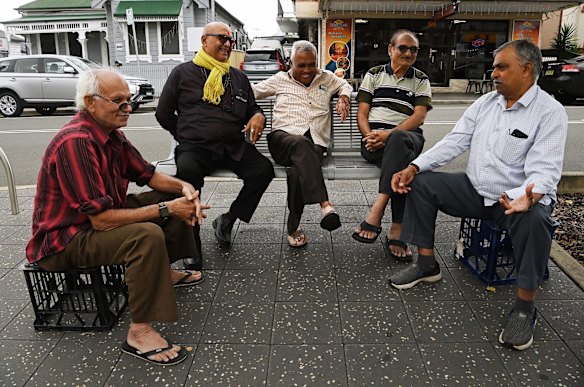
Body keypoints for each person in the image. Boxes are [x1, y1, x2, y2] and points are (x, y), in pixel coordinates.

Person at [389, 39, 568, 351]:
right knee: (422, 183)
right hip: (475, 189)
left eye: (502, 66)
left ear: (526, 70)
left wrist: (532, 195)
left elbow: (546, 167)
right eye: (494, 66)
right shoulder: (487, 103)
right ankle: (426, 265)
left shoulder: (549, 112)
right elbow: (455, 141)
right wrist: (415, 166)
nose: (493, 72)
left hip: (514, 199)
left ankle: (525, 308)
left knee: (537, 218)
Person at [25, 68, 210, 366]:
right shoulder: (77, 141)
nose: (129, 108)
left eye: (129, 100)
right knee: (146, 235)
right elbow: (100, 221)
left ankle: (163, 273)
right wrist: (167, 210)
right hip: (65, 239)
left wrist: (184, 188)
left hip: (92, 223)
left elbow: (147, 175)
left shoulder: (111, 135)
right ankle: (139, 332)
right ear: (90, 102)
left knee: (171, 198)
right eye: (119, 101)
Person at [156, 22, 274, 267]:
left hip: (232, 146)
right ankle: (191, 244)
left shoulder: (239, 77)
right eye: (221, 38)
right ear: (204, 41)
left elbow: (252, 107)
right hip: (196, 148)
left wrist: (259, 115)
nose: (228, 44)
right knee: (187, 176)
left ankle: (229, 219)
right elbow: (163, 113)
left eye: (230, 40)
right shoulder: (183, 72)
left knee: (263, 171)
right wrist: (186, 134)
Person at [253, 40, 352, 247]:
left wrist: (343, 97)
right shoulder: (280, 79)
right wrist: (256, 114)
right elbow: (251, 92)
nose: (307, 70)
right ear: (291, 63)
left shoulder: (326, 77)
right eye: (301, 65)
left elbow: (345, 84)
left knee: (297, 171)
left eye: (311, 64)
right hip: (283, 140)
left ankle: (293, 226)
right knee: (299, 143)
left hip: (314, 142)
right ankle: (325, 205)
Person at [351, 29, 431, 262]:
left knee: (398, 141)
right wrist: (369, 137)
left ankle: (377, 210)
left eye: (413, 49)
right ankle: (397, 228)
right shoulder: (374, 74)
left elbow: (419, 118)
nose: (408, 53)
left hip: (408, 138)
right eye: (403, 48)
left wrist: (387, 136)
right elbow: (362, 113)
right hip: (374, 142)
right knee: (402, 162)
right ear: (390, 49)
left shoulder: (420, 79)